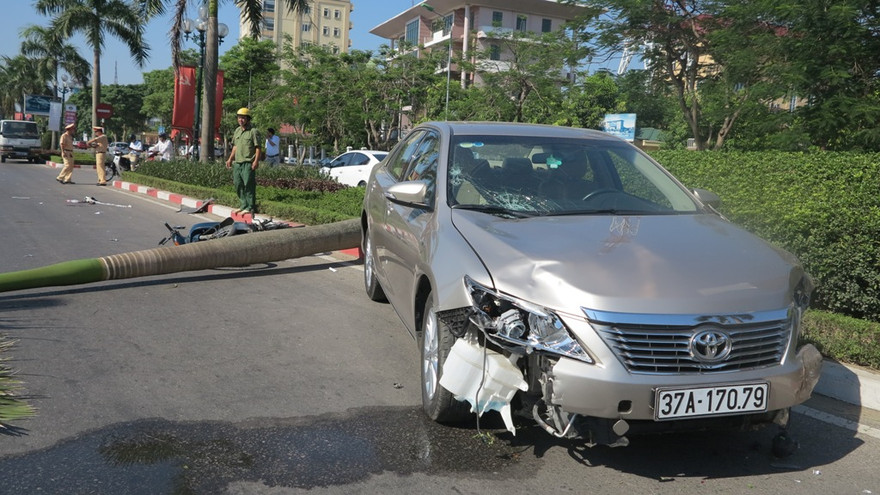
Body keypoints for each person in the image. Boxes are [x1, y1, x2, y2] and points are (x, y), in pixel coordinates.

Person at [225, 107, 261, 215]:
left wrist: (256, 161)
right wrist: (230, 159)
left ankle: (250, 207)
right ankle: (243, 205)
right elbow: (235, 146)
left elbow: (258, 147)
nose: (241, 120)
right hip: (238, 163)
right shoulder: (237, 131)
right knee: (238, 184)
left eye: (243, 118)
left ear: (248, 119)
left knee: (248, 185)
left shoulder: (253, 132)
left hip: (248, 163)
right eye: (239, 117)